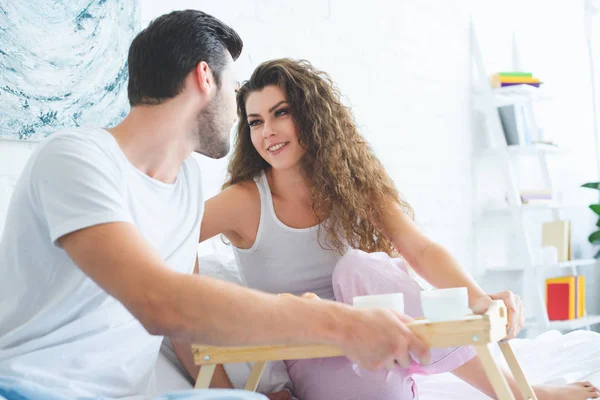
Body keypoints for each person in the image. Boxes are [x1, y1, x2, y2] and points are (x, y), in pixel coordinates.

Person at [0, 11, 432, 400]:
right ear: (205, 78)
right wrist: (336, 323)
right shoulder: (77, 158)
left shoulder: (184, 182)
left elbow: (185, 323)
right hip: (36, 387)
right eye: (237, 90)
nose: (240, 114)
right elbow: (160, 301)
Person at [179, 58, 600, 400]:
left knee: (357, 267)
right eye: (254, 122)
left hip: (386, 341)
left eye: (280, 113)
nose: (267, 131)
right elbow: (169, 238)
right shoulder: (245, 201)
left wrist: (481, 299)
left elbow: (419, 249)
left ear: (312, 117)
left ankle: (516, 391)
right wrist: (228, 387)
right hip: (315, 357)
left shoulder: (352, 185)